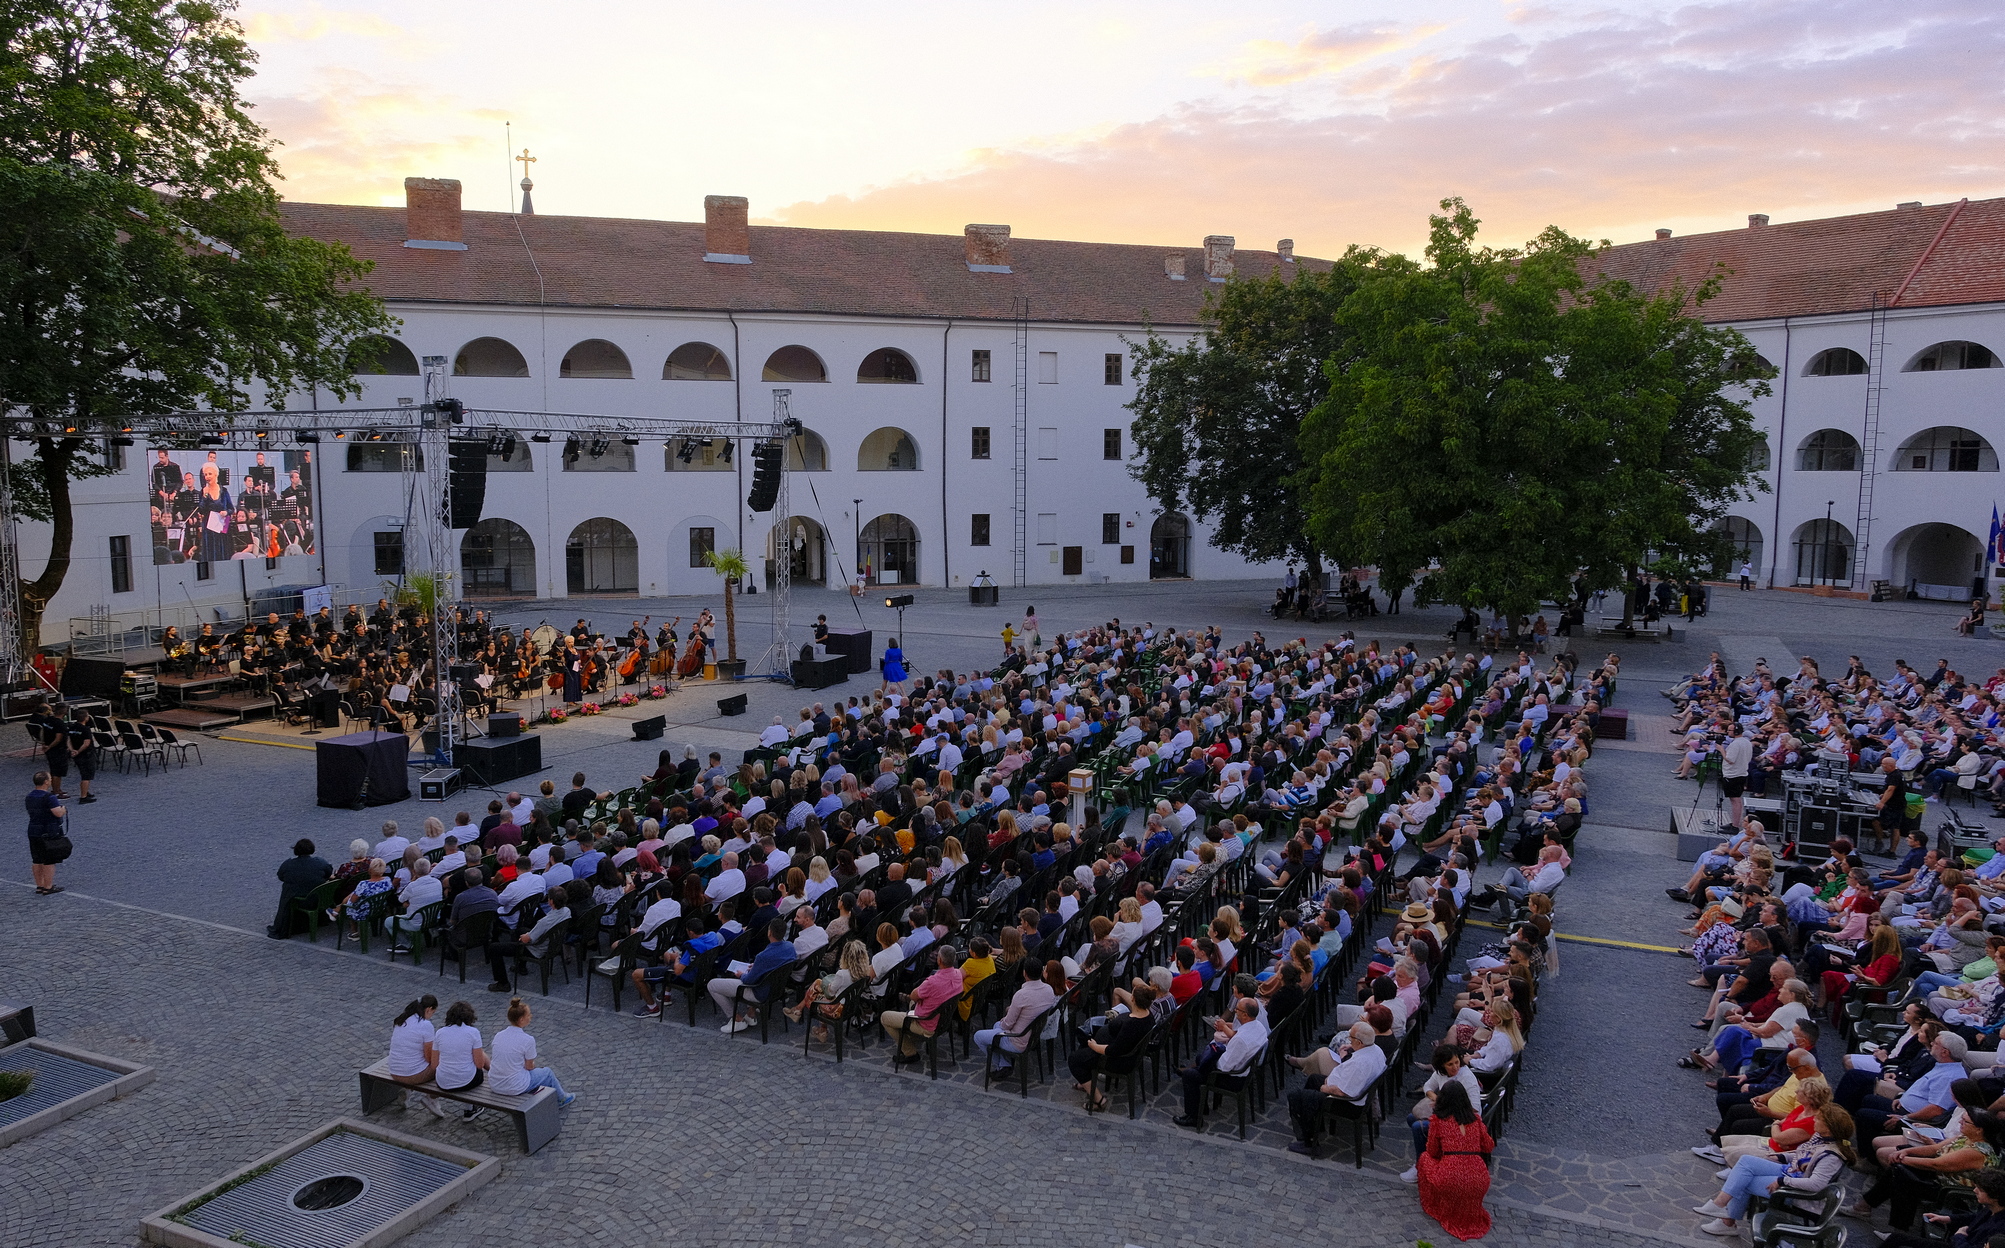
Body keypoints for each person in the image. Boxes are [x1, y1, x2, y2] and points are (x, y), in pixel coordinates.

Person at [1696, 1103, 1855, 1237]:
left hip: (1799, 1193)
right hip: (1791, 1171)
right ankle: (1721, 1209)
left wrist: (1782, 1181)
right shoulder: (1821, 1137)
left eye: (1819, 1118)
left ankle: (1726, 1220)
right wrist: (1781, 1157)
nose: (1814, 1119)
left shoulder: (1832, 1156)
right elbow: (1801, 1154)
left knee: (1744, 1180)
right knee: (1746, 1162)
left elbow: (1816, 1185)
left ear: (1828, 1127)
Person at [1415, 1081, 1495, 1240]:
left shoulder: (1438, 1120)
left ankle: (1437, 1202)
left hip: (1450, 1176)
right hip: (1478, 1178)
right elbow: (1488, 1146)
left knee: (1424, 1158)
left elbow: (1432, 1151)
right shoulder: (1476, 1120)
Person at [1174, 996, 1268, 1129]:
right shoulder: (1258, 1027)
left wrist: (1213, 1055)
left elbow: (1223, 1066)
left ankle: (1194, 1117)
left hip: (1233, 1078)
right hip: (1244, 1070)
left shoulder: (1240, 1040)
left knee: (1190, 1075)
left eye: (1237, 1010)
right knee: (1201, 1058)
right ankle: (1201, 1105)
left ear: (1245, 1015)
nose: (1235, 1011)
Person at [486, 997, 576, 1107]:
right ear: (521, 1020)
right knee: (547, 1073)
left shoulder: (498, 1035)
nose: (531, 1017)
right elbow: (529, 1067)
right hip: (514, 1086)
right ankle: (562, 1099)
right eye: (528, 1015)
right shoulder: (528, 1040)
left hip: (495, 1084)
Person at [385, 995, 446, 1117]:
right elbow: (430, 1058)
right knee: (444, 1067)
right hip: (411, 1075)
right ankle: (432, 1098)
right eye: (433, 1012)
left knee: (411, 1059)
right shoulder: (425, 1025)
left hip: (394, 1070)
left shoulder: (401, 1020)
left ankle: (407, 1091)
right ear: (429, 1009)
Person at [430, 1000, 490, 1120]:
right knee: (480, 1055)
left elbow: (434, 1065)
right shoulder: (473, 1032)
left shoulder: (440, 1033)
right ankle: (470, 1108)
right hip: (467, 1081)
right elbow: (479, 1064)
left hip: (443, 1082)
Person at [269, 838, 332, 938]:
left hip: (298, 900)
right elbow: (328, 873)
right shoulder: (320, 863)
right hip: (317, 899)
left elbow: (281, 877)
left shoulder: (288, 865)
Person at [24, 771, 68, 896]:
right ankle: (48, 886)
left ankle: (39, 885)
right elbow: (57, 813)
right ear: (46, 782)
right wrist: (63, 810)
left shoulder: (29, 796)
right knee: (49, 860)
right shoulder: (50, 797)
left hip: (33, 830)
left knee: (36, 859)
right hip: (47, 831)